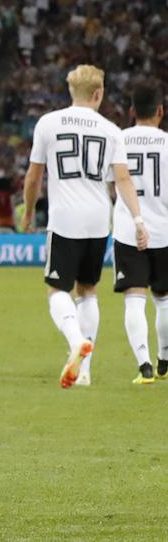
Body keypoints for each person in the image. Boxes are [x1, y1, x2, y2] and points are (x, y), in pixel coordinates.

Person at [21, 64, 148, 389]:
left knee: (56, 290)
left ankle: (76, 340)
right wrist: (137, 220)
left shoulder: (48, 123)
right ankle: (85, 371)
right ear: (98, 94)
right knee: (87, 290)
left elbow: (34, 175)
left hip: (64, 219)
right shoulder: (111, 130)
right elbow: (122, 178)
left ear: (71, 91)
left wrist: (28, 211)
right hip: (98, 220)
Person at [111, 84, 168, 384]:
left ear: (132, 111)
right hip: (163, 230)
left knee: (134, 299)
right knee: (164, 299)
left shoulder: (118, 139)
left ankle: (144, 365)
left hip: (129, 230)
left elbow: (116, 181)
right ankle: (164, 359)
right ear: (161, 111)